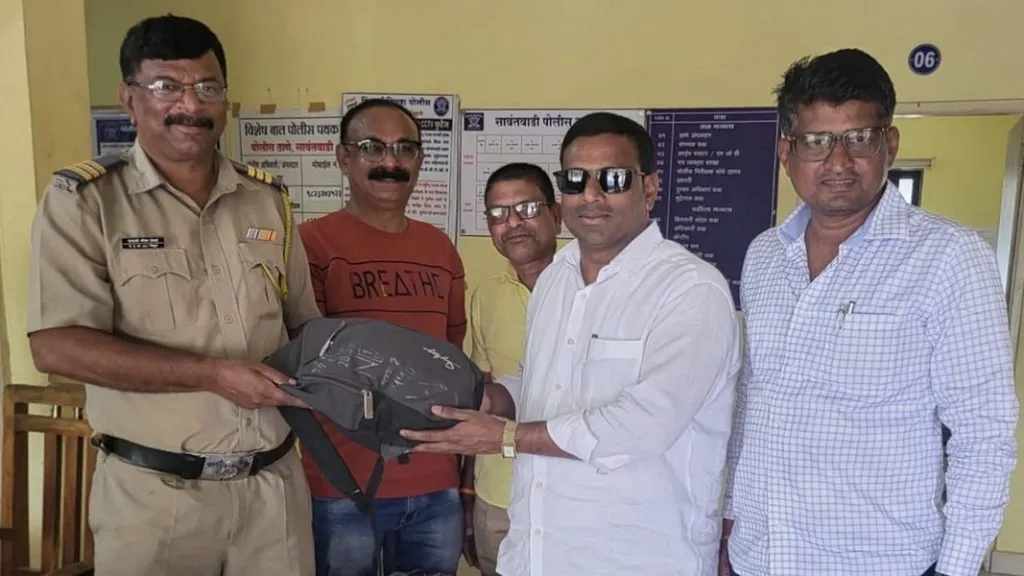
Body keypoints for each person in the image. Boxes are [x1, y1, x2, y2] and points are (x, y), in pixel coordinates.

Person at [26, 14, 321, 576]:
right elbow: (56, 347)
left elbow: (302, 324)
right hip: (156, 498)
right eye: (166, 86)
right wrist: (211, 375)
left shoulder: (266, 200)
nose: (190, 104)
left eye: (208, 87)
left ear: (226, 100)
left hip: (274, 491)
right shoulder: (85, 202)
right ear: (129, 98)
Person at [402, 112, 742, 576]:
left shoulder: (690, 290)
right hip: (537, 552)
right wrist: (485, 399)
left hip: (637, 559)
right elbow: (537, 378)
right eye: (576, 180)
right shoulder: (556, 278)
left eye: (613, 179)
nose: (592, 195)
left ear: (650, 187)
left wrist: (505, 437)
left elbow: (644, 425)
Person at [721, 48, 1019, 576]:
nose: (838, 162)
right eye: (817, 142)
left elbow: (984, 433)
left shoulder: (948, 258)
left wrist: (956, 568)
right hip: (761, 555)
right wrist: (730, 524)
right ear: (787, 153)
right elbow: (753, 400)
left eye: (859, 138)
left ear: (890, 144)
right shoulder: (765, 255)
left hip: (878, 561)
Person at [298, 98, 467, 576]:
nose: (391, 162)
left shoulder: (440, 247)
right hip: (342, 484)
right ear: (343, 157)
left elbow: (451, 354)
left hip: (436, 483)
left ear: (419, 159)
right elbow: (308, 366)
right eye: (373, 147)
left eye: (404, 149)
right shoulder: (311, 244)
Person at [461, 162, 562, 575]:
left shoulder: (593, 289)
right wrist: (468, 493)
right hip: (497, 496)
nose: (514, 223)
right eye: (499, 213)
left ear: (557, 214)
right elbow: (481, 395)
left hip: (569, 497)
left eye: (528, 208)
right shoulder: (484, 296)